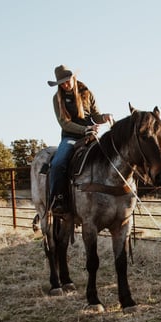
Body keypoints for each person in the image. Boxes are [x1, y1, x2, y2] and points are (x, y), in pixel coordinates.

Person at [46, 64, 114, 215]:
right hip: (70, 137)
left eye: (67, 80)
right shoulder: (57, 99)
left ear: (73, 77)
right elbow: (64, 123)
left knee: (111, 156)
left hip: (91, 136)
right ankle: (58, 199)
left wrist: (104, 117)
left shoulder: (87, 93)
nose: (65, 84)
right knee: (58, 164)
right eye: (61, 83)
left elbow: (96, 116)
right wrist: (84, 129)